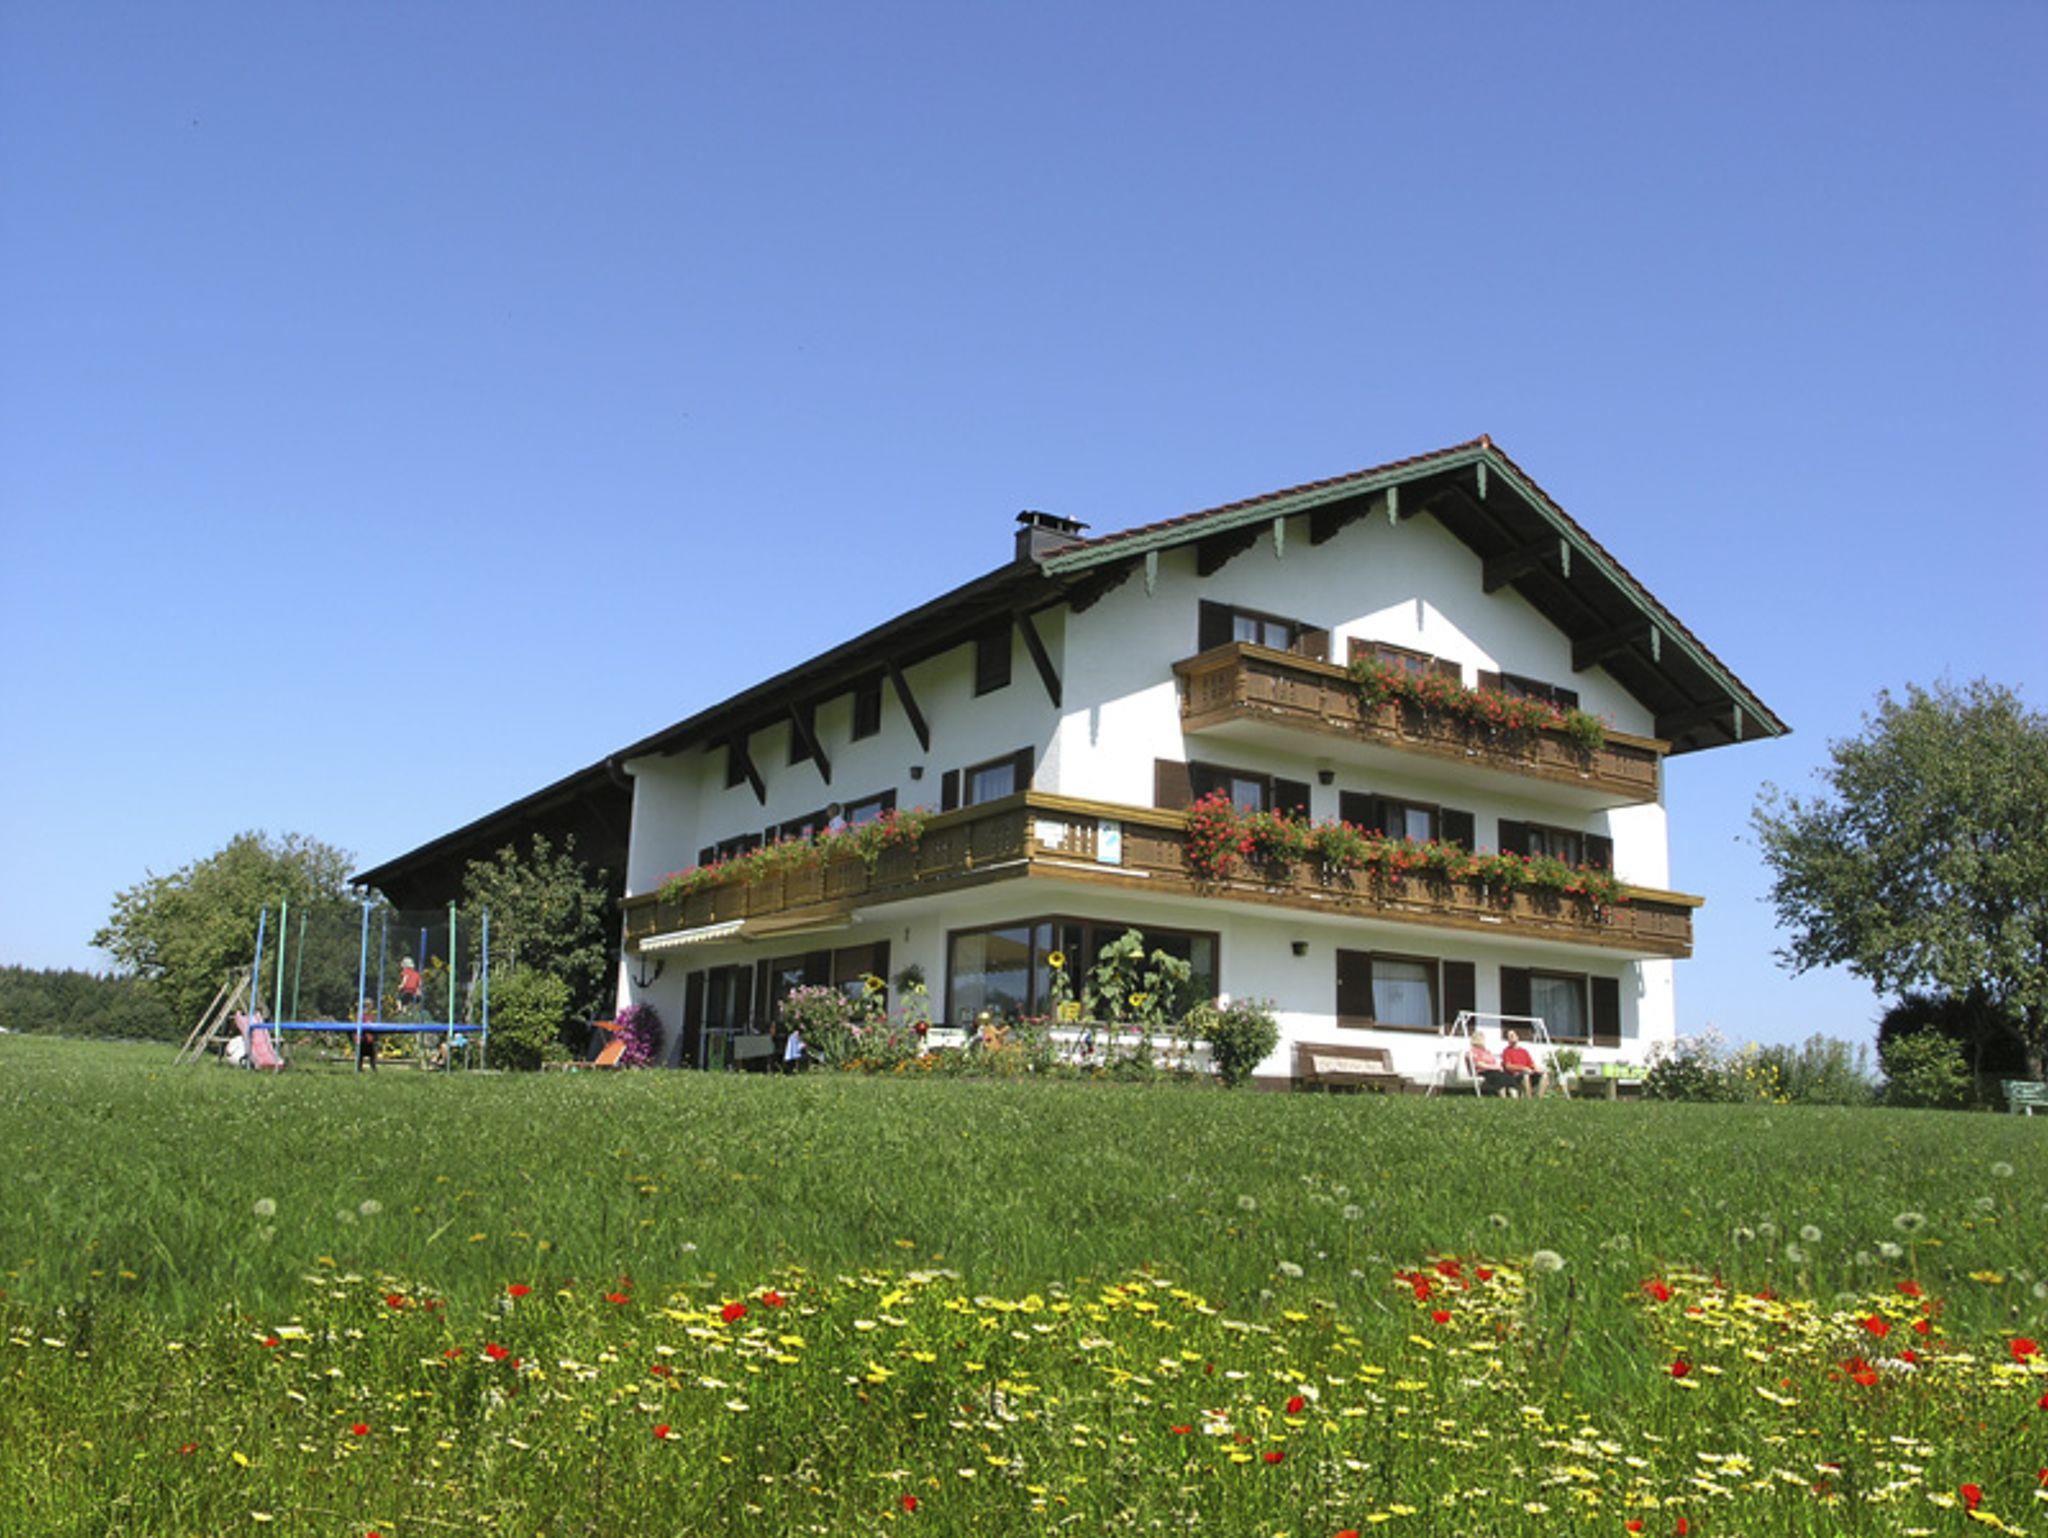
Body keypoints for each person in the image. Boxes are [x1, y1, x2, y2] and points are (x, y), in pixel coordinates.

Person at [1500, 1029, 1543, 1097]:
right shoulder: (1507, 1051)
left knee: (1544, 1075)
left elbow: (1531, 1064)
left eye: (1512, 1035)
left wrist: (1536, 1069)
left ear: (1517, 1037)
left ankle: (1540, 1097)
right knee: (1525, 1075)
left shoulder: (1524, 1051)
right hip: (1515, 1076)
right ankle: (1529, 1098)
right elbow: (1508, 1066)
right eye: (1509, 1037)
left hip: (1528, 1072)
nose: (1511, 1038)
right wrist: (1523, 1068)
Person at [356, 1002, 379, 1073]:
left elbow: (375, 1026)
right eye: (367, 1006)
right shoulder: (361, 1016)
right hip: (363, 1039)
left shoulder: (372, 1016)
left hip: (370, 1039)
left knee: (372, 1054)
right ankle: (359, 1068)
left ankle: (373, 1068)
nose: (368, 1008)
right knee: (361, 1054)